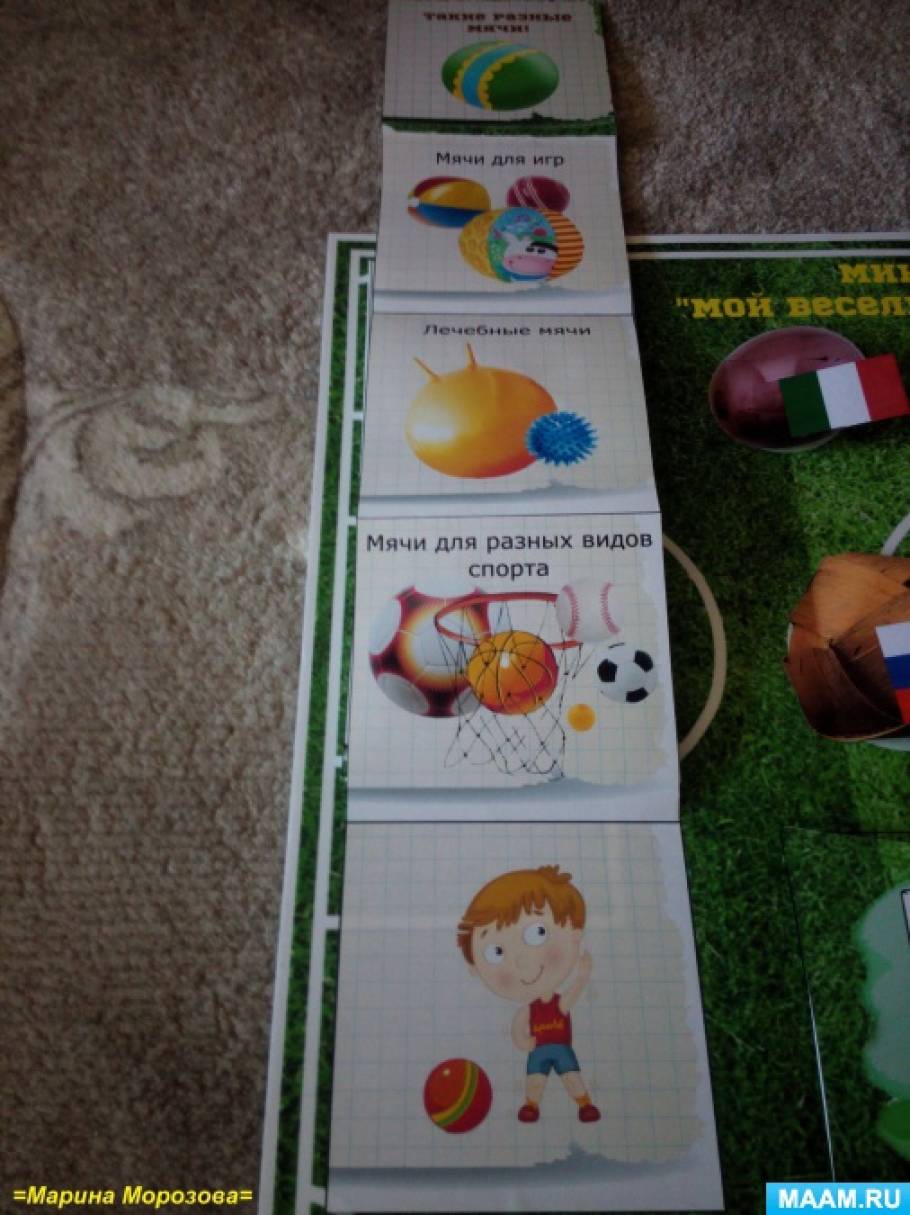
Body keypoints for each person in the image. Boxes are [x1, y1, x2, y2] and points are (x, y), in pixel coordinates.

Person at [457, 864, 601, 1123]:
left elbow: (572, 996)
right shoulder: (529, 1009)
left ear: (575, 934)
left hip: (561, 1048)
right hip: (538, 1049)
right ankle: (531, 1105)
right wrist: (523, 1042)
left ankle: (584, 1104)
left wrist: (582, 975)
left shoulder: (558, 1003)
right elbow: (518, 1028)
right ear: (475, 968)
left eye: (538, 933)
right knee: (534, 1080)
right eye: (495, 952)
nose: (522, 962)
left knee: (572, 1076)